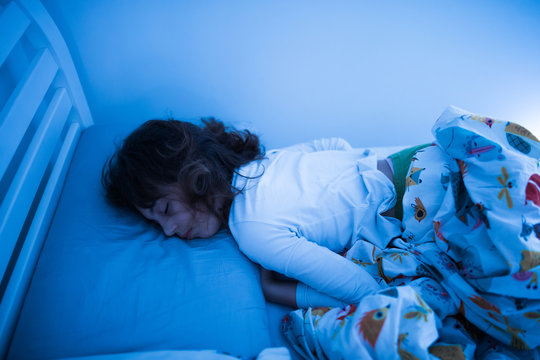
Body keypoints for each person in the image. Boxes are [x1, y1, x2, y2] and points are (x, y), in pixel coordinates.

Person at [102, 117, 417, 308]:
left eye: (166, 209)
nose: (168, 230)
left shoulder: (252, 229)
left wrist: (279, 291)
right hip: (413, 158)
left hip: (422, 201)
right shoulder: (267, 162)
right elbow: (330, 143)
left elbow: (368, 293)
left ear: (196, 175)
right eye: (156, 224)